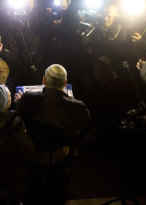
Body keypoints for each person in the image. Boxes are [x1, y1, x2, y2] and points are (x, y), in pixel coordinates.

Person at [16, 64, 91, 205]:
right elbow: (83, 127)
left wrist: (19, 100)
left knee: (33, 194)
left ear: (44, 80)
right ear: (64, 83)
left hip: (36, 157)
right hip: (64, 160)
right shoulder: (78, 107)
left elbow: (20, 108)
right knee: (57, 195)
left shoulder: (28, 99)